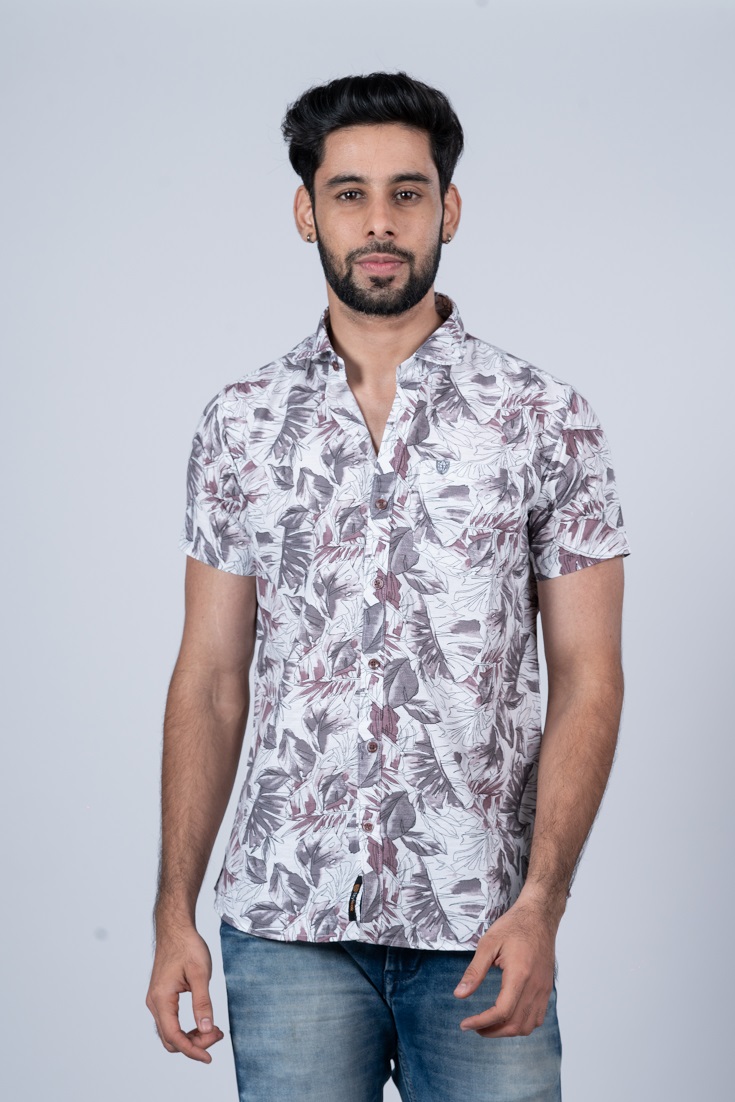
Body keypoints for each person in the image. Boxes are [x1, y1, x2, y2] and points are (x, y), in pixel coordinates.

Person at [145, 71, 630, 1102]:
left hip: (483, 924)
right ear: (305, 212)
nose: (378, 222)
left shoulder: (547, 417)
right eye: (348, 193)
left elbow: (589, 676)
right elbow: (211, 679)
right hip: (286, 927)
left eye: (407, 193)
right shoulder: (239, 424)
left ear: (448, 209)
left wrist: (542, 903)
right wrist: (172, 910)